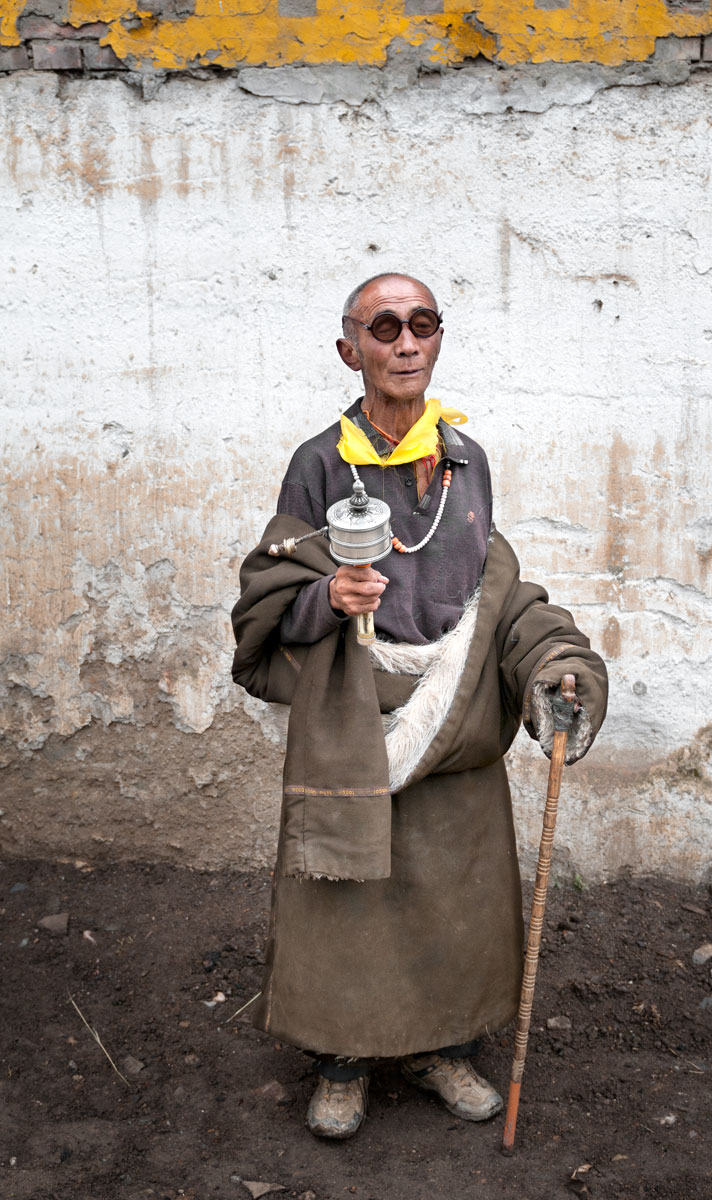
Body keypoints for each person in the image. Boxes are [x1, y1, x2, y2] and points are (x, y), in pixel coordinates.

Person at [231, 273, 609, 1140]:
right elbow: (265, 595)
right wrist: (328, 596)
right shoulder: (319, 462)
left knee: (451, 893)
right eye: (385, 326)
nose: (405, 343)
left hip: (458, 718)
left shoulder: (466, 461)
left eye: (422, 324)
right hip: (355, 718)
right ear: (349, 350)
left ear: (438, 340)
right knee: (347, 899)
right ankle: (342, 1058)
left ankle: (440, 1047)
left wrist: (553, 664)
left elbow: (493, 591)